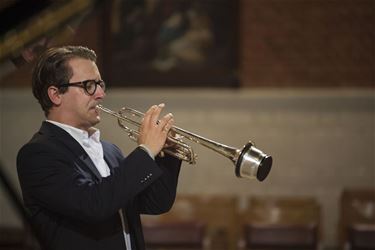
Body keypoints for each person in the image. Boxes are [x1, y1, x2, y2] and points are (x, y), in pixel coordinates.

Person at [16, 45, 181, 250]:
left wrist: (168, 154)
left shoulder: (110, 151)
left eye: (100, 84)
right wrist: (146, 150)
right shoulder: (38, 154)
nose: (101, 94)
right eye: (89, 85)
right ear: (56, 94)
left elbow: (157, 203)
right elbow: (94, 204)